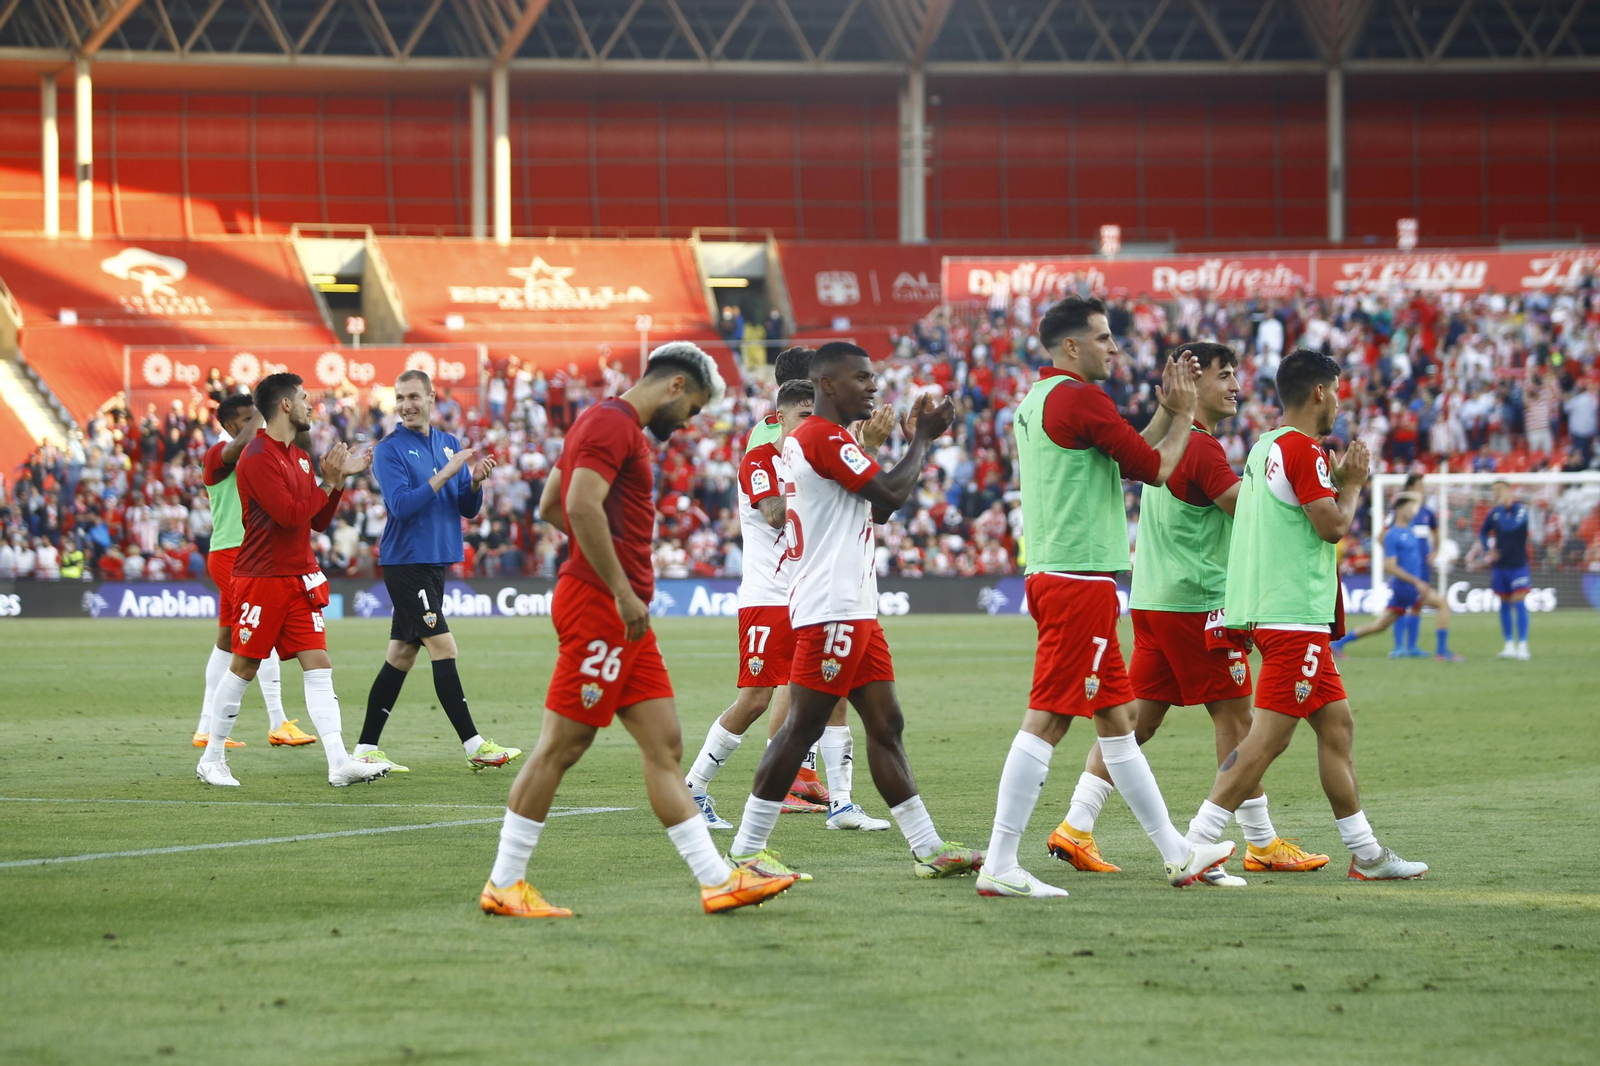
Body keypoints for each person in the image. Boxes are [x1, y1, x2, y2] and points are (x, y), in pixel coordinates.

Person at [480, 342, 796, 918]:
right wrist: (620, 586)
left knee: (665, 743)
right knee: (562, 744)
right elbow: (576, 506)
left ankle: (717, 879)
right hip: (606, 607)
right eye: (694, 407)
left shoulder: (596, 420)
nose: (690, 421)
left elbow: (551, 503)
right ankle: (504, 882)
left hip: (620, 611)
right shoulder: (614, 425)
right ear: (675, 385)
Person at [973, 298, 1235, 900]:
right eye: (1104, 337)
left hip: (1060, 574)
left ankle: (1177, 853)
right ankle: (1001, 861)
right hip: (1076, 579)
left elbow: (1118, 459)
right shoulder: (1083, 397)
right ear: (1073, 347)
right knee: (1047, 719)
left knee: (1118, 726)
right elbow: (1155, 468)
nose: (1114, 347)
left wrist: (1168, 414)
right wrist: (1182, 413)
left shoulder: (1038, 401)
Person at [1052, 342, 1328, 883]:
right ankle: (1259, 840)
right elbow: (1251, 518)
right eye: (1224, 376)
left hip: (1155, 598)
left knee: (1136, 723)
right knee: (1237, 719)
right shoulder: (1201, 450)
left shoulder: (1179, 445)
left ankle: (1076, 825)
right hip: (1195, 603)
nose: (1235, 386)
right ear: (1194, 386)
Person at [725, 341, 984, 883]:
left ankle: (928, 848)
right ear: (826, 385)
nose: (872, 386)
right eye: (860, 378)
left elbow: (881, 506)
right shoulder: (820, 436)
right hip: (832, 606)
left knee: (886, 724)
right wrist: (921, 440)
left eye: (873, 376)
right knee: (800, 729)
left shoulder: (826, 439)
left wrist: (904, 446)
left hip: (853, 605)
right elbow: (890, 491)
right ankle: (747, 851)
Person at [1181, 349, 1428, 882]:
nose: (1340, 401)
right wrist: (1354, 482)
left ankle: (1366, 854)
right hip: (1293, 614)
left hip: (1276, 609)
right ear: (1320, 392)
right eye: (1337, 390)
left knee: (1336, 726)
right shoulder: (1304, 451)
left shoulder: (1262, 447)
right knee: (1268, 738)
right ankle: (1195, 842)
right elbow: (1332, 527)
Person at [684, 379, 892, 833]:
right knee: (755, 698)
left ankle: (841, 804)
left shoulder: (820, 459)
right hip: (768, 599)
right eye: (802, 415)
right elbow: (776, 513)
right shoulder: (760, 460)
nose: (810, 424)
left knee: (835, 695)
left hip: (813, 597)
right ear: (779, 419)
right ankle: (694, 788)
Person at [196, 373, 390, 789]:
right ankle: (212, 759)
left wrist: (337, 482)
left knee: (319, 666)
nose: (309, 405)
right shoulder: (257, 457)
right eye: (303, 398)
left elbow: (316, 519)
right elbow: (289, 514)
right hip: (262, 578)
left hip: (299, 576)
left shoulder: (299, 458)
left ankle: (339, 762)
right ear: (285, 405)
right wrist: (332, 481)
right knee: (244, 666)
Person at [354, 369, 521, 773]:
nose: (406, 405)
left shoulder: (449, 444)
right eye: (400, 397)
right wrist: (447, 473)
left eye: (413, 396)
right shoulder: (390, 450)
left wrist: (475, 483)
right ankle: (475, 745)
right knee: (443, 647)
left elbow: (465, 508)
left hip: (435, 559)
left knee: (401, 655)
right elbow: (400, 506)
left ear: (431, 398)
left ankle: (364, 748)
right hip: (406, 561)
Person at [737, 346, 848, 813]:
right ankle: (783, 778)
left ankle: (803, 775)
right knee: (783, 681)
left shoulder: (783, 427)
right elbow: (778, 502)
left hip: (807, 570)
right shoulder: (776, 435)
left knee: (819, 679)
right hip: (784, 577)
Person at [191, 394, 316, 752]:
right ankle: (277, 722)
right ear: (231, 426)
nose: (258, 425)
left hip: (241, 555)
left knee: (229, 641)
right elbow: (245, 440)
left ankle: (204, 727)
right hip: (235, 554)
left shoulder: (259, 453)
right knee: (263, 633)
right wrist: (269, 405)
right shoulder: (218, 456)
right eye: (249, 419)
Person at [1331, 493, 1462, 661]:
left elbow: (1416, 499)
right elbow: (1389, 566)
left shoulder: (1410, 528)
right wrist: (1416, 581)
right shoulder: (1393, 534)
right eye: (1408, 508)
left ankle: (1338, 644)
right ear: (1399, 510)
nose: (1412, 511)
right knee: (1442, 603)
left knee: (1380, 625)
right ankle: (1442, 652)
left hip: (1409, 586)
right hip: (1406, 586)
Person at [1480, 480, 1532, 660]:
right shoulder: (1494, 513)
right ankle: (1509, 645)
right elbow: (1482, 532)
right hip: (1500, 566)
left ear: (1509, 491)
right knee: (1503, 605)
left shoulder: (1521, 510)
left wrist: (1501, 508)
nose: (1496, 493)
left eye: (1499, 490)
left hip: (1518, 564)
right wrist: (1488, 550)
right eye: (1494, 491)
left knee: (1519, 602)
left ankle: (1523, 645)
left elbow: (1509, 527)